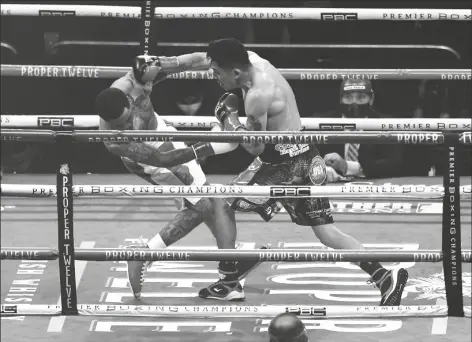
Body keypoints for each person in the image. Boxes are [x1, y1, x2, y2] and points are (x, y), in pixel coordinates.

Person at [175, 38, 408, 305]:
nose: (212, 77)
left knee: (222, 205)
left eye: (216, 72)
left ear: (235, 72)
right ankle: (383, 276)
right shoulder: (253, 61)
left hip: (281, 164)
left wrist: (229, 120)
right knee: (326, 233)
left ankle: (229, 282)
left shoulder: (256, 97)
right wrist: (168, 65)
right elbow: (200, 58)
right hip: (307, 155)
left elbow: (255, 148)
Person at [95, 54, 254, 300]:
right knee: (201, 205)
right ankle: (146, 255)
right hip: (151, 159)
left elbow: (184, 63)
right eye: (121, 123)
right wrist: (211, 146)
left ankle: (229, 263)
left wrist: (214, 60)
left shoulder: (135, 81)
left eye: (127, 117)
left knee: (209, 201)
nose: (127, 123)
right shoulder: (114, 141)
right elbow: (163, 160)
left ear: (128, 99)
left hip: (163, 133)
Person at [319, 79, 405, 180]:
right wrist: (321, 169)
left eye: (361, 97)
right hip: (331, 186)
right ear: (340, 99)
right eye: (348, 97)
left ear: (371, 99)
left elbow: (394, 164)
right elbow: (304, 158)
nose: (354, 103)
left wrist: (348, 166)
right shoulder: (321, 122)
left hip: (374, 188)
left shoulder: (387, 124)